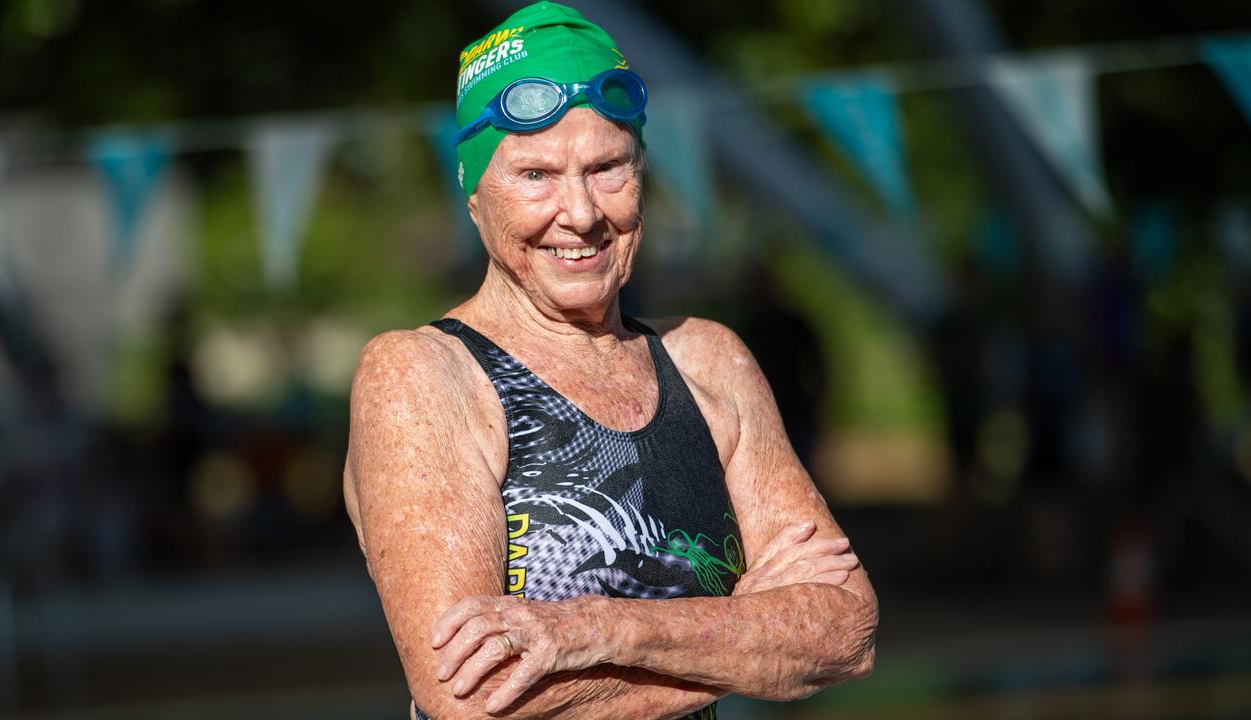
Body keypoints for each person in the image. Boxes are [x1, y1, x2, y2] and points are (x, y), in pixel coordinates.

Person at [343, 3, 877, 719]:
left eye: (607, 168)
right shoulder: (421, 376)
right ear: (474, 198)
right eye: (536, 175)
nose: (582, 212)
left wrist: (586, 632)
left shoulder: (709, 360)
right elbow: (468, 697)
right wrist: (751, 639)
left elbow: (846, 631)